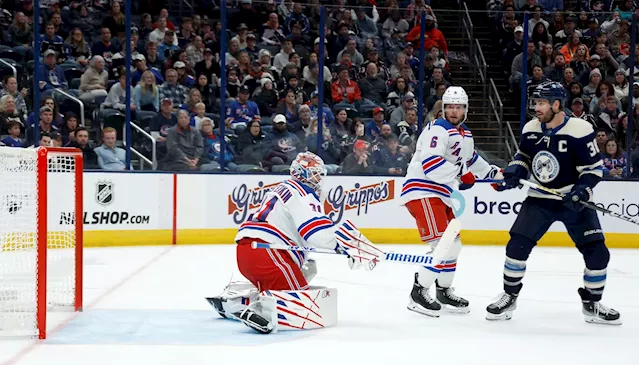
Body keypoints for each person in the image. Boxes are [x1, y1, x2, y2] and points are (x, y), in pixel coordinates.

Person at [487, 81, 620, 325]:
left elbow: (593, 169)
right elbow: (524, 156)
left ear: (556, 105)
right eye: (535, 102)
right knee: (516, 247)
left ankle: (592, 303)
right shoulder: (531, 128)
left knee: (598, 253)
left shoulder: (579, 129)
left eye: (541, 103)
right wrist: (515, 172)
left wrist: (581, 190)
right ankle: (509, 296)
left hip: (573, 201)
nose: (536, 107)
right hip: (539, 200)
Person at [209, 152, 380, 334]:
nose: (319, 178)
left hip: (248, 253)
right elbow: (317, 234)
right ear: (302, 173)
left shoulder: (282, 188)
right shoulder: (303, 192)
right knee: (308, 305)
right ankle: (262, 311)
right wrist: (345, 245)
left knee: (307, 269)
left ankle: (234, 303)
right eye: (315, 173)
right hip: (269, 255)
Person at [401, 86, 502, 317]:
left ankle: (443, 291)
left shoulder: (465, 134)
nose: (454, 111)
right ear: (443, 109)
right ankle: (418, 292)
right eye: (450, 107)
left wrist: (495, 175)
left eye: (458, 107)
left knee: (453, 244)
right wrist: (460, 174)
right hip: (422, 190)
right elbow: (431, 165)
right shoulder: (437, 130)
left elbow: (473, 160)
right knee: (442, 245)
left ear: (465, 110)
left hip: (441, 194)